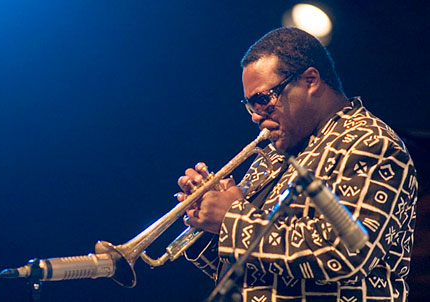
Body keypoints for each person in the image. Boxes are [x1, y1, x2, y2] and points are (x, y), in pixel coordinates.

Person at [176, 27, 417, 302]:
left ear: (310, 80)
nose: (256, 116)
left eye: (263, 100)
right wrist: (208, 223)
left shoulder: (370, 142)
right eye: (250, 106)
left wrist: (231, 218)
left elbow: (347, 253)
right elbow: (254, 274)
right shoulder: (275, 156)